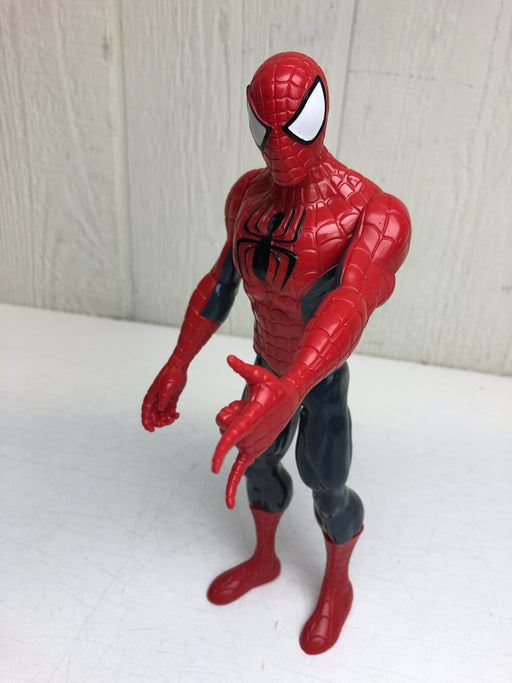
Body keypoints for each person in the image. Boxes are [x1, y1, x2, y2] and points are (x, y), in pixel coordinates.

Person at [142, 52, 411, 655]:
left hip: (319, 382)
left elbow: (351, 303)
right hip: (265, 367)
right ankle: (265, 558)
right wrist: (178, 362)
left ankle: (337, 584)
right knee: (257, 464)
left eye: (295, 125)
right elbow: (222, 282)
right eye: (265, 128)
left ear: (320, 113)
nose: (280, 147)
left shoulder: (373, 212)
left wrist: (294, 387)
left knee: (328, 484)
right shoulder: (247, 195)